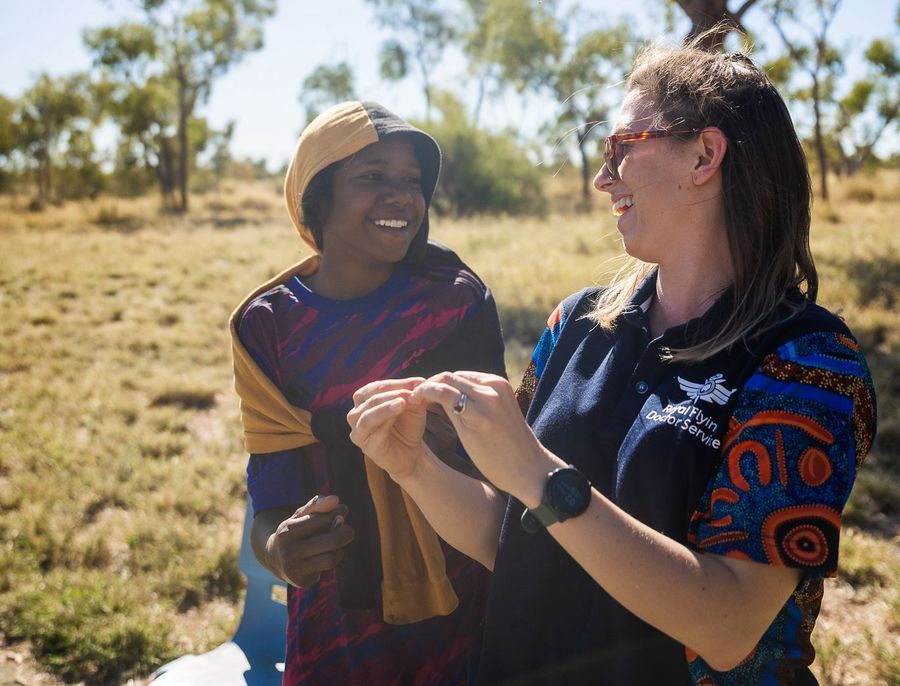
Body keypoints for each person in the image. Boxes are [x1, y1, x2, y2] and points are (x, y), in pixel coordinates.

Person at [347, 42, 877, 685]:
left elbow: (730, 626)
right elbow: (513, 539)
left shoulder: (808, 363)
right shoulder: (574, 322)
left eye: (623, 146)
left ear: (705, 155)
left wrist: (541, 475)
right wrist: (415, 468)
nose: (604, 178)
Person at [229, 101, 506, 685]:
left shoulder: (453, 301)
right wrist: (280, 550)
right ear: (317, 197)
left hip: (460, 590)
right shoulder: (268, 326)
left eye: (412, 180)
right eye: (372, 177)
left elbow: (497, 464)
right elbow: (272, 488)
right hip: (335, 615)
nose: (401, 196)